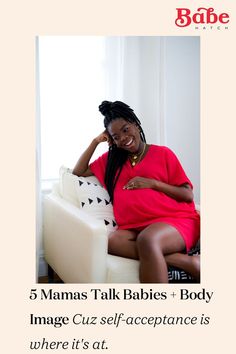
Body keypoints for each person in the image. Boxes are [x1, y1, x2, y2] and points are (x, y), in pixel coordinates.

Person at [73, 100, 200, 283]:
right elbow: (79, 171)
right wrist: (95, 142)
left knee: (148, 240)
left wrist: (153, 184)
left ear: (136, 124)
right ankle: (187, 262)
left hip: (174, 220)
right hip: (135, 226)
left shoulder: (163, 153)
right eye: (116, 137)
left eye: (125, 129)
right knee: (113, 242)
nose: (123, 138)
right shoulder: (111, 162)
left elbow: (187, 195)